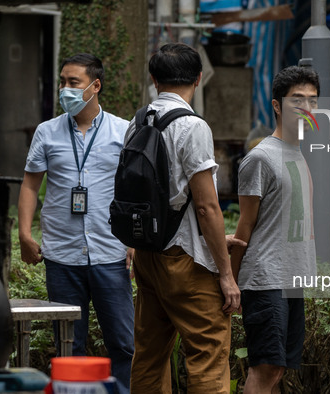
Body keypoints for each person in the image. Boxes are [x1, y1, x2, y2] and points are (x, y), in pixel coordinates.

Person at [127, 43, 242, 393]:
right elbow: (207, 207)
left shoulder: (138, 121)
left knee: (149, 354)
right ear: (198, 78)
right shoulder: (192, 127)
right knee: (207, 352)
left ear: (153, 79)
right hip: (186, 261)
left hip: (148, 254)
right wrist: (226, 274)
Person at [18, 53, 134, 393]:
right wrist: (25, 234)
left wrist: (133, 241)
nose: (65, 89)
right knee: (70, 346)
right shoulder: (47, 131)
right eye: (63, 82)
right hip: (61, 255)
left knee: (123, 344)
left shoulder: (123, 131)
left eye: (74, 83)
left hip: (110, 253)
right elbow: (30, 183)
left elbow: (133, 190)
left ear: (95, 86)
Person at [231, 66, 318, 394]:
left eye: (312, 100)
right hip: (266, 278)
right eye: (297, 100)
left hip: (292, 278)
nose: (306, 108)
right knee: (265, 368)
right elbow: (245, 224)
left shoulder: (298, 152)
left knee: (277, 369)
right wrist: (231, 281)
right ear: (278, 105)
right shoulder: (260, 158)